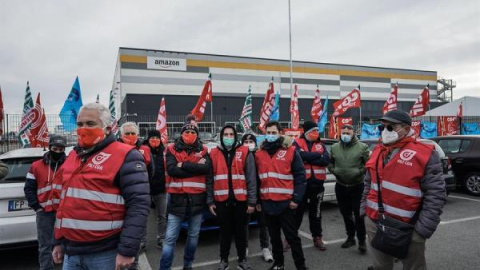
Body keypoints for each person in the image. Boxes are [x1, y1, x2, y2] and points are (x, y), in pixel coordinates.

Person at [51, 103, 150, 270]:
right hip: (71, 251)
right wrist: (58, 241)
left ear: (107, 128)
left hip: (106, 253)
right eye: (80, 124)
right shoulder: (73, 155)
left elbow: (138, 205)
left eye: (90, 124)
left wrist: (127, 250)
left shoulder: (126, 155)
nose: (83, 128)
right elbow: (64, 203)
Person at [360, 110, 446, 270]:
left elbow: (436, 195)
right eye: (382, 127)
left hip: (409, 227)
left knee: (414, 267)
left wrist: (422, 231)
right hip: (375, 222)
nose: (385, 131)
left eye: (391, 127)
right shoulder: (378, 151)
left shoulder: (425, 153)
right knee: (380, 266)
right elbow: (368, 183)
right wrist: (364, 212)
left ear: (406, 129)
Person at [256, 121, 308, 270]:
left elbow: (300, 176)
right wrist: (259, 201)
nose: (271, 135)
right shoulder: (259, 154)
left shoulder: (291, 151)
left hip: (286, 204)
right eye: (268, 132)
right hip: (268, 203)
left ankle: (301, 266)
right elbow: (258, 179)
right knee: (274, 238)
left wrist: (296, 199)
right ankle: (279, 264)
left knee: (292, 237)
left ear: (280, 133)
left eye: (274, 132)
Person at [160, 123, 210, 270]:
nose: (190, 134)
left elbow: (206, 168)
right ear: (181, 134)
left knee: (193, 237)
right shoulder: (171, 149)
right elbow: (172, 170)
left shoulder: (204, 150)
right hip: (177, 201)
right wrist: (195, 167)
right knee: (170, 238)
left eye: (193, 132)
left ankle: (188, 265)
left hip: (197, 202)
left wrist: (183, 165)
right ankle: (164, 268)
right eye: (187, 131)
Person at [207, 125, 257, 270]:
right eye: (226, 134)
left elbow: (251, 179)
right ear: (221, 136)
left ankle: (242, 260)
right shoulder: (213, 153)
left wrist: (252, 201)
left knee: (241, 232)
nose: (228, 137)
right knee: (224, 233)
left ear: (235, 136)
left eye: (231, 135)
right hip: (221, 202)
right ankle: (224, 260)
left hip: (241, 201)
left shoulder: (245, 151)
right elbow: (209, 179)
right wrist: (210, 201)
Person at [24, 135, 67, 270]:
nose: (58, 152)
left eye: (61, 149)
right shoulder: (36, 166)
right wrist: (36, 207)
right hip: (44, 212)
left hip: (65, 212)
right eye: (55, 148)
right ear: (49, 148)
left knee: (67, 244)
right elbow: (29, 188)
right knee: (45, 246)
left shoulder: (69, 165)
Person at [328, 123, 369, 252]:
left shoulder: (362, 147)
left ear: (353, 134)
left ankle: (362, 241)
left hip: (357, 186)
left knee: (359, 215)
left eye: (348, 133)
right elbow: (330, 162)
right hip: (340, 186)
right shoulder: (334, 147)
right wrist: (334, 170)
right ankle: (350, 237)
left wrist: (359, 172)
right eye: (343, 133)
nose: (345, 135)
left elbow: (368, 164)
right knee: (346, 214)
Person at [293, 121, 330, 251]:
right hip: (301, 186)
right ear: (307, 132)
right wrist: (316, 156)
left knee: (316, 213)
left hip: (317, 185)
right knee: (297, 213)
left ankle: (317, 237)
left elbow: (326, 159)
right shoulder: (297, 143)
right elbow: (298, 156)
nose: (316, 133)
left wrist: (308, 158)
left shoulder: (321, 144)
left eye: (317, 131)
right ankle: (290, 237)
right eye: (314, 131)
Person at [241, 132, 274, 263]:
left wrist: (258, 200)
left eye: (251, 142)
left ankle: (265, 248)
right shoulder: (240, 156)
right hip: (244, 196)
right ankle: (244, 248)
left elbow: (261, 178)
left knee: (263, 224)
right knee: (244, 224)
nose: (249, 144)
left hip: (260, 197)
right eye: (246, 142)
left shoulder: (259, 156)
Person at [143, 129, 168, 249]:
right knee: (143, 216)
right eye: (152, 138)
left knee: (162, 215)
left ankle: (161, 238)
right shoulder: (142, 151)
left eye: (157, 138)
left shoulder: (164, 151)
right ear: (148, 139)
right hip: (145, 189)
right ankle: (142, 240)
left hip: (161, 189)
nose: (155, 140)